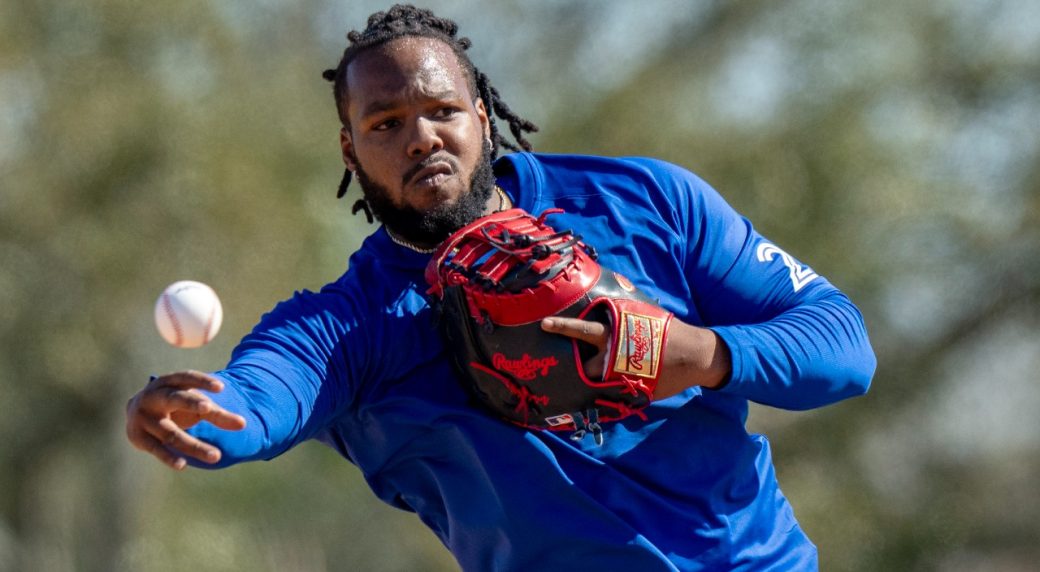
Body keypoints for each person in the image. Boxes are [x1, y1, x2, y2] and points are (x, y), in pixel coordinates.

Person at [125, 5, 876, 571]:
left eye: (442, 110)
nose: (421, 137)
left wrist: (705, 353)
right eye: (385, 123)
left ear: (482, 118)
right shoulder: (354, 328)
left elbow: (843, 346)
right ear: (349, 151)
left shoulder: (644, 202)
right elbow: (260, 396)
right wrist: (194, 409)